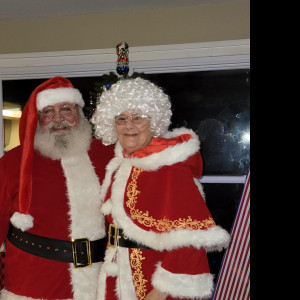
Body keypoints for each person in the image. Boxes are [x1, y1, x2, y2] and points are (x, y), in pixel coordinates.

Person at [91, 77, 231, 300]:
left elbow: (189, 240)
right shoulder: (121, 163)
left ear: (154, 120)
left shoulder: (171, 168)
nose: (129, 125)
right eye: (121, 118)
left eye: (138, 118)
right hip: (118, 275)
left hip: (155, 281)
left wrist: (160, 291)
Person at [0, 76, 114, 299]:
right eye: (48, 112)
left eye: (65, 109)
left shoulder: (107, 156)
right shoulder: (13, 163)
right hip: (33, 281)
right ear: (38, 118)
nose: (58, 118)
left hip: (99, 280)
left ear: (79, 113)